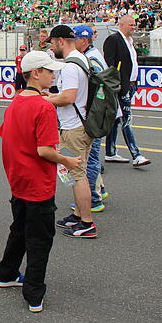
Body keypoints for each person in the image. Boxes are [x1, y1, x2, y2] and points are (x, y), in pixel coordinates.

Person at [0, 50, 80, 313]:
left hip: (18, 179)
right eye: (49, 70)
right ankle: (34, 292)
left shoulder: (17, 101)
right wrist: (67, 161)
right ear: (36, 73)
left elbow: (6, 136)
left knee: (19, 228)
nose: (53, 74)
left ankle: (7, 273)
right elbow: (44, 150)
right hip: (38, 182)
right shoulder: (44, 106)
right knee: (39, 239)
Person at [42, 25, 98, 238]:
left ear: (60, 41)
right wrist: (54, 95)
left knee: (77, 174)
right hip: (82, 122)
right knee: (75, 173)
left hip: (74, 126)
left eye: (53, 43)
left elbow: (69, 98)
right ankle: (78, 214)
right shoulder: (81, 59)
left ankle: (87, 222)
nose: (52, 47)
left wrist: (48, 100)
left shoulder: (69, 67)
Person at [103, 15, 152, 167]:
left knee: (116, 120)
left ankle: (110, 152)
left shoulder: (130, 42)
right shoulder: (114, 40)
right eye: (131, 24)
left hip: (130, 85)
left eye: (134, 24)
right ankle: (136, 155)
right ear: (121, 25)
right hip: (121, 86)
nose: (134, 26)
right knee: (127, 119)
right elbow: (110, 64)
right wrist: (117, 84)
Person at [73, 25, 110, 212]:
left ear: (84, 40)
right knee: (91, 155)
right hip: (97, 113)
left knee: (91, 157)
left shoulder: (91, 58)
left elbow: (95, 88)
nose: (72, 43)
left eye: (75, 39)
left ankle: (93, 198)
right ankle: (99, 189)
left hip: (94, 114)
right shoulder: (92, 55)